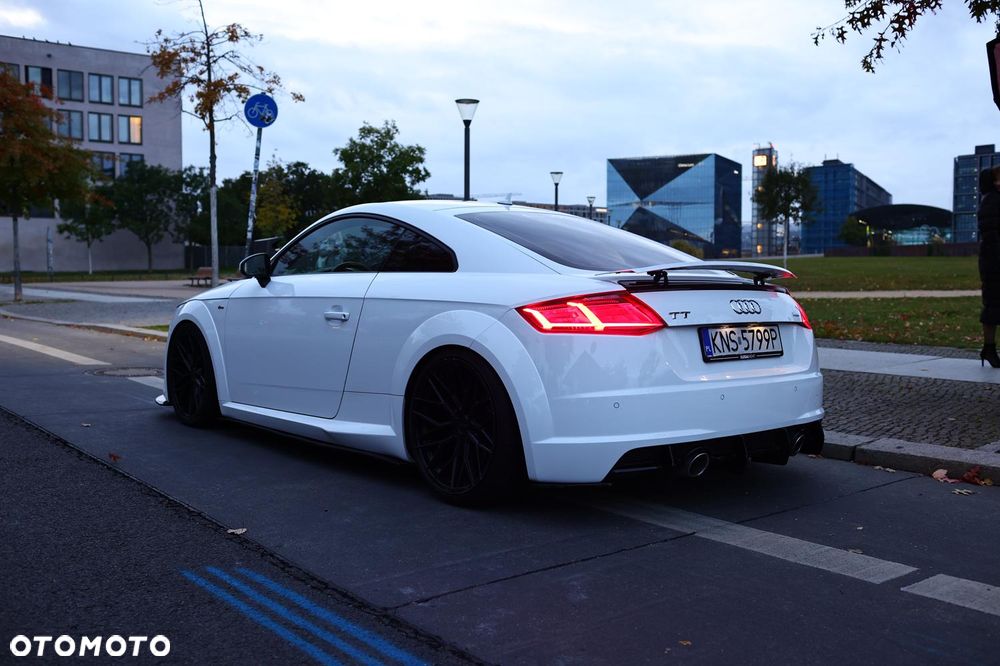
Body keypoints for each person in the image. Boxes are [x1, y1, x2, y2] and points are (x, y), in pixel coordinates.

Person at [977, 166, 1000, 367]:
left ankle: (989, 348)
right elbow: (992, 235)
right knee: (993, 305)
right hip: (995, 261)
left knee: (993, 305)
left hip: (992, 259)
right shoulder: (993, 201)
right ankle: (989, 348)